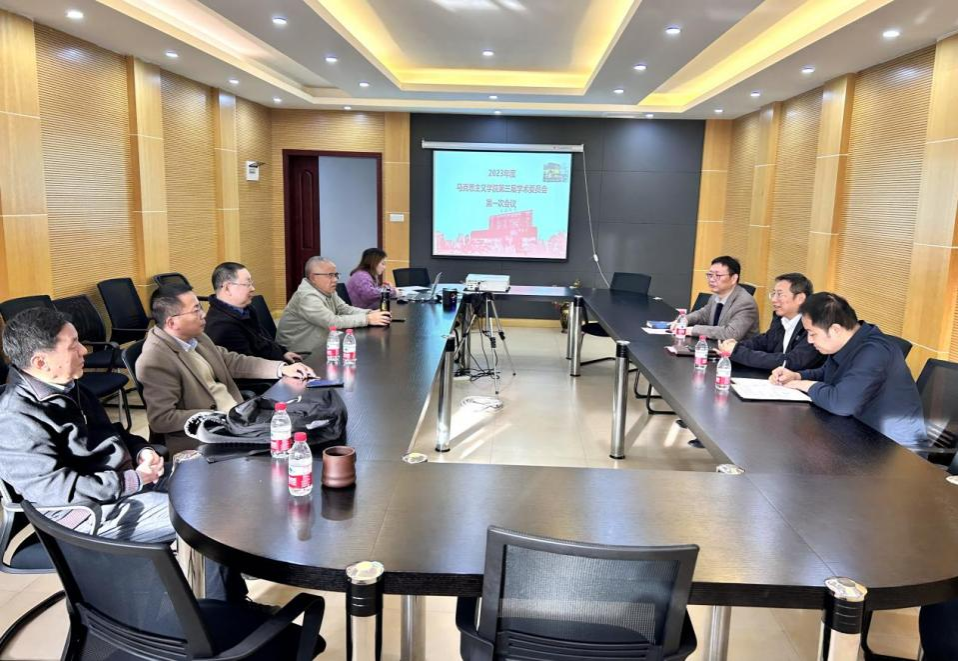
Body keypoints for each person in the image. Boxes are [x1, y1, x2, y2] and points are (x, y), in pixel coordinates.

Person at [0, 308, 246, 601]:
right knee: (204, 518)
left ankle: (227, 596)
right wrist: (134, 480)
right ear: (41, 362)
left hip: (119, 484)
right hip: (86, 512)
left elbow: (114, 433)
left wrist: (142, 451)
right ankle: (222, 612)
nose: (84, 350)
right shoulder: (15, 418)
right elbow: (57, 490)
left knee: (213, 482)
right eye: (73, 345)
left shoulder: (69, 386)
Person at [138, 284, 314, 453]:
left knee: (305, 422)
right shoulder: (155, 359)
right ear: (172, 322)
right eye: (195, 310)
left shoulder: (196, 337)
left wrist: (281, 368)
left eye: (200, 307)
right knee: (289, 441)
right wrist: (216, 416)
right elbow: (162, 419)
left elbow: (232, 361)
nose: (203, 314)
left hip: (238, 417)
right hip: (207, 435)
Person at [770, 292, 926, 447]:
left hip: (895, 448)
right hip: (860, 432)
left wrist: (802, 384)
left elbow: (841, 404)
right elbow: (827, 373)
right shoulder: (847, 343)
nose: (809, 341)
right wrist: (796, 376)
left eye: (812, 333)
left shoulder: (874, 352)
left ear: (835, 330)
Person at [277, 256, 391, 355]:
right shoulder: (306, 297)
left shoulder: (326, 290)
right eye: (330, 275)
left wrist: (370, 313)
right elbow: (332, 322)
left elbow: (344, 309)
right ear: (313, 278)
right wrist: (367, 319)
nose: (335, 280)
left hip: (322, 346)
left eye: (336, 275)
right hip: (300, 354)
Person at [718, 272, 824, 371]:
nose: (773, 299)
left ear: (800, 298)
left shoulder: (814, 326)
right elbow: (764, 342)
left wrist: (738, 351)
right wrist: (734, 345)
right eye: (773, 294)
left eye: (780, 294)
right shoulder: (780, 319)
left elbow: (792, 361)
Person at [204, 261, 300, 362]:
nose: (253, 288)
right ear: (227, 288)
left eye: (251, 283)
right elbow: (248, 367)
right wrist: (282, 367)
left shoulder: (245, 309)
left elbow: (264, 341)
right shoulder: (222, 328)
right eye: (247, 284)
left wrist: (283, 353)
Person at [679, 256, 758, 341]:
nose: (712, 279)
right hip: (715, 345)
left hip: (737, 348)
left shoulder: (745, 303)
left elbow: (731, 333)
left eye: (718, 275)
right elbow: (703, 314)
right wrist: (684, 320)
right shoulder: (715, 296)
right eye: (710, 275)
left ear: (734, 278)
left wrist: (692, 330)